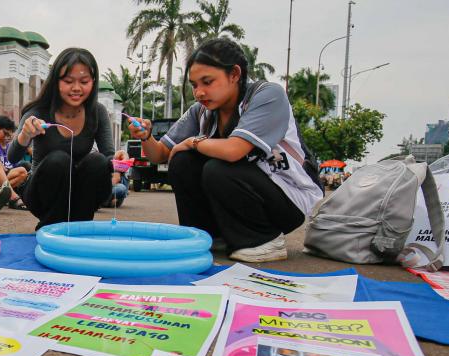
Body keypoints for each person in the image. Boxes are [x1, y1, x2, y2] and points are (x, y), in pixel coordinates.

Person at [127, 38, 323, 262]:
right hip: (245, 186)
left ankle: (264, 240)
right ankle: (208, 236)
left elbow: (234, 150)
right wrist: (146, 137)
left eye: (207, 82)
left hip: (289, 198)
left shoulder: (267, 95)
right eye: (194, 85)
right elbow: (161, 154)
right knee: (183, 161)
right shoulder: (201, 111)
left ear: (234, 75)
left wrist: (193, 142)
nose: (199, 92)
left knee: (217, 167)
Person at [7, 47, 124, 229]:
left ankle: (80, 226)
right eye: (68, 81)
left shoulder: (97, 112)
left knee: (97, 161)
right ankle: (50, 225)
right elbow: (12, 157)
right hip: (42, 194)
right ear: (56, 82)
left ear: (93, 82)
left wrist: (118, 161)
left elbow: (108, 158)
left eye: (84, 81)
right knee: (59, 160)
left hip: (79, 196)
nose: (76, 88)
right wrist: (25, 135)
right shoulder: (38, 112)